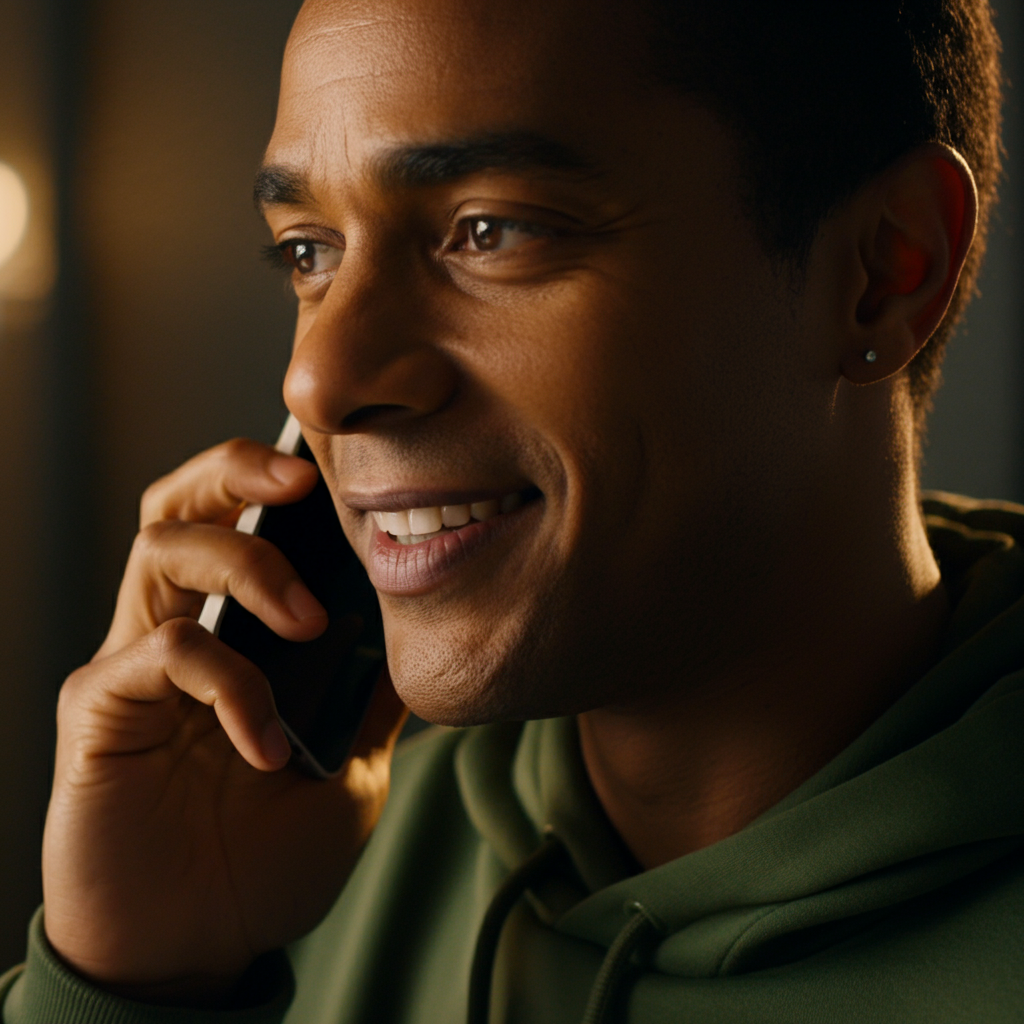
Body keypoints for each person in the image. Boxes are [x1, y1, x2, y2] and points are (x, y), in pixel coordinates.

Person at [2, 0, 1021, 1020]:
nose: (316, 379)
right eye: (309, 251)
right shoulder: (276, 861)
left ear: (885, 271)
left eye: (488, 231)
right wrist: (135, 985)